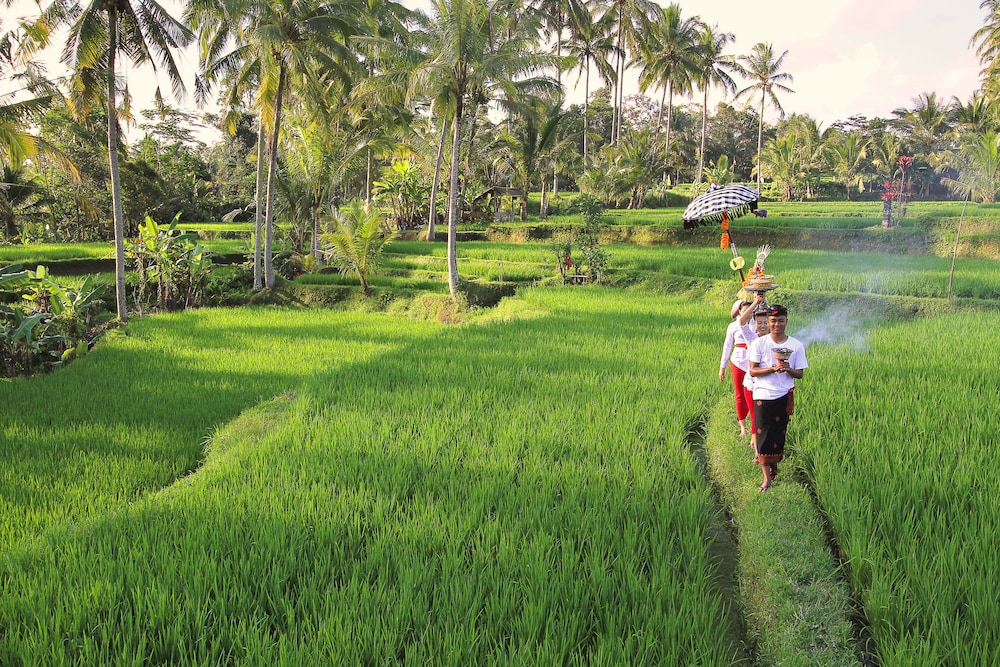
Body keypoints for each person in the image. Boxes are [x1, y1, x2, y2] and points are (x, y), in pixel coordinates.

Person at [748, 304, 808, 492]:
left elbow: (800, 374)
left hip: (783, 395)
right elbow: (753, 370)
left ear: (786, 322)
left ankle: (773, 465)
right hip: (763, 395)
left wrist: (788, 368)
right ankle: (766, 479)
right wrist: (771, 369)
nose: (776, 324)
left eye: (780, 321)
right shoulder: (759, 343)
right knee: (763, 435)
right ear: (768, 322)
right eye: (773, 321)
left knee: (778, 435)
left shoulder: (796, 345)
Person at [718, 298, 754, 436]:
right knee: (739, 394)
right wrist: (722, 367)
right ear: (740, 311)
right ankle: (743, 427)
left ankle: (754, 424)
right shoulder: (733, 326)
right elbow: (727, 346)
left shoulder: (757, 324)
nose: (747, 313)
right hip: (738, 361)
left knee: (753, 393)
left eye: (749, 311)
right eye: (744, 310)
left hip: (753, 361)